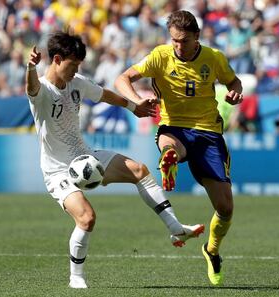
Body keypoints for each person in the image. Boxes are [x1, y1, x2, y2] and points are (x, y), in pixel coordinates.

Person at [25, 31, 204, 289]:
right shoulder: (42, 90)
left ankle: (175, 228)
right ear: (56, 59)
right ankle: (76, 278)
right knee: (86, 218)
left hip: (84, 158)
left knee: (139, 171)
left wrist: (136, 107)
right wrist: (30, 66)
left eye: (78, 66)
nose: (76, 70)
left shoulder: (77, 83)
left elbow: (106, 95)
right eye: (72, 64)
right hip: (58, 172)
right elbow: (30, 87)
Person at [115, 10, 244, 286]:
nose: (177, 46)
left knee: (226, 208)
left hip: (209, 133)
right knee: (170, 145)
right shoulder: (160, 56)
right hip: (173, 126)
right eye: (173, 40)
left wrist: (234, 93)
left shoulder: (214, 58)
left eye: (183, 41)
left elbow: (233, 82)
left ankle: (211, 249)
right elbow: (122, 79)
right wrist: (135, 101)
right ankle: (169, 159)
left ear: (197, 37)